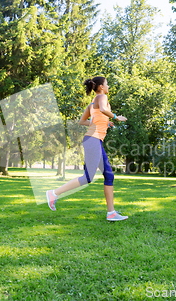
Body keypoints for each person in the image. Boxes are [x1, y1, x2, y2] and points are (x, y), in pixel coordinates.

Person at [46, 76, 128, 221]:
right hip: (93, 140)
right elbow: (103, 109)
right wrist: (115, 117)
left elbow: (82, 121)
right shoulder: (101, 97)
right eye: (107, 84)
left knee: (109, 176)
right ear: (101, 87)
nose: (108, 86)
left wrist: (104, 122)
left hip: (94, 141)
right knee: (88, 177)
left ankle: (111, 213)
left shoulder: (91, 104)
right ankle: (54, 193)